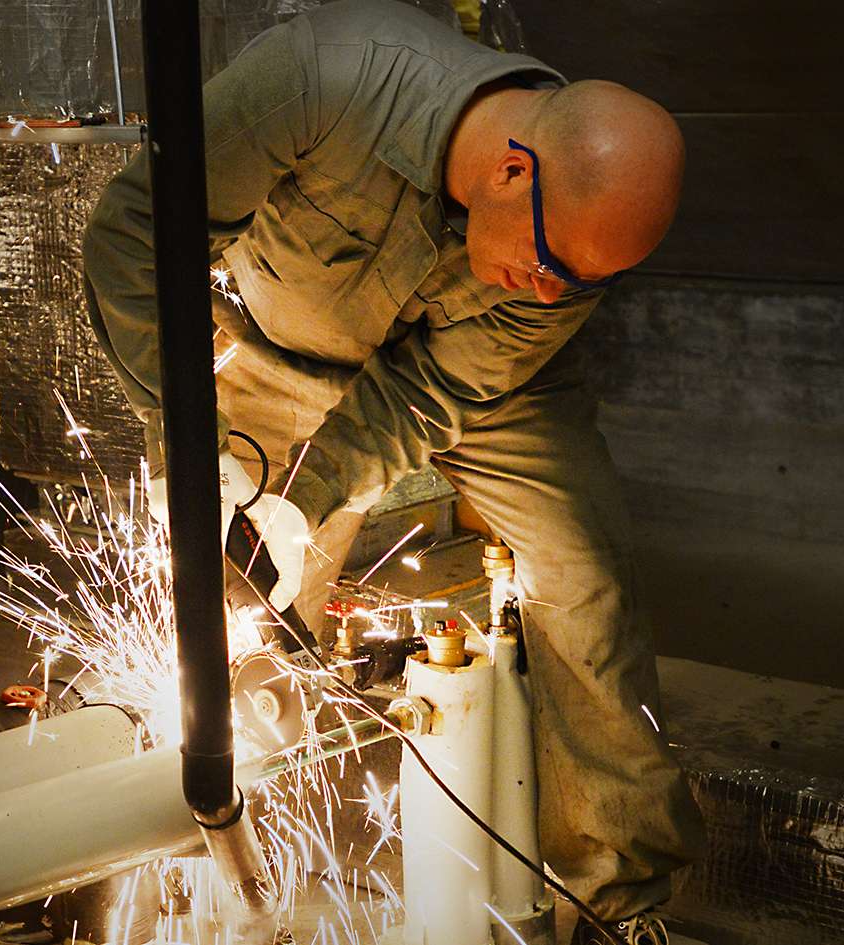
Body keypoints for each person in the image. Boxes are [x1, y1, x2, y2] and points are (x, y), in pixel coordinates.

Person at [81, 1, 707, 942]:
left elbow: (419, 396)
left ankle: (617, 902)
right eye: (548, 266)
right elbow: (132, 233)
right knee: (233, 606)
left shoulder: (559, 273)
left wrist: (309, 499)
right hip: (275, 347)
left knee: (585, 583)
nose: (555, 292)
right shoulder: (328, 76)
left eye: (580, 283)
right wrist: (188, 440)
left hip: (482, 386)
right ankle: (214, 858)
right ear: (510, 168)